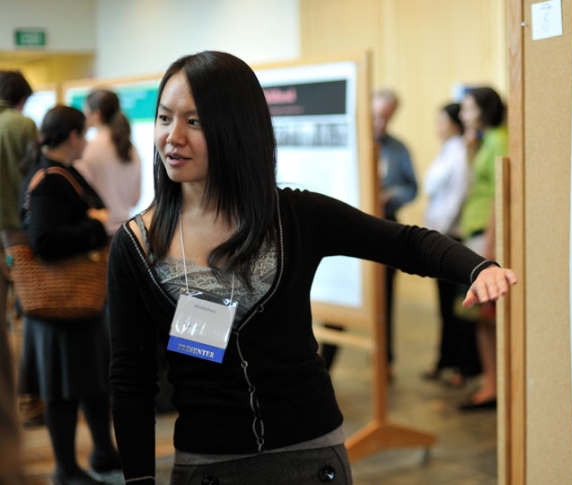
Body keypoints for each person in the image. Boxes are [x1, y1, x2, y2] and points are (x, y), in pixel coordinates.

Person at [107, 51, 517, 485]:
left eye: (194, 122)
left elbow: (404, 242)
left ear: (237, 128)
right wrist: (138, 480)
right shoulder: (137, 245)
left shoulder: (293, 216)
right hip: (207, 466)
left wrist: (478, 268)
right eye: (165, 118)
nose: (173, 137)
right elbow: (131, 381)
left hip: (310, 458)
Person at [17, 105, 120, 485]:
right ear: (74, 135)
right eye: (84, 134)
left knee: (92, 382)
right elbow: (43, 241)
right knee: (62, 389)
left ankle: (103, 452)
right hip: (60, 304)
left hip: (77, 304)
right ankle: (65, 468)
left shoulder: (57, 174)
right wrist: (93, 231)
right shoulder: (50, 179)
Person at [320, 88, 418, 373]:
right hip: (348, 224)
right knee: (341, 293)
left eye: (387, 118)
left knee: (384, 297)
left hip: (385, 223)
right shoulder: (348, 144)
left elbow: (411, 186)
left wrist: (392, 194)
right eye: (377, 117)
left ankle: (384, 360)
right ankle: (327, 361)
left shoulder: (399, 148)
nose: (381, 125)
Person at [421, 102, 480, 387]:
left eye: (441, 120)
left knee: (455, 307)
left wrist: (439, 237)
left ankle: (459, 365)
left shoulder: (458, 153)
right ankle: (445, 359)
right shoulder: (448, 150)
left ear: (454, 123)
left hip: (448, 236)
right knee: (444, 306)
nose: (437, 125)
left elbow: (457, 196)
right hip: (438, 233)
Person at [456, 87, 508, 411]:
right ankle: (491, 382)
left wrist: (490, 247)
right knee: (481, 317)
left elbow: (498, 196)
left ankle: (495, 385)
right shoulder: (485, 140)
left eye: (468, 108)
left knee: (488, 317)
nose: (463, 115)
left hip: (486, 239)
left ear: (484, 109)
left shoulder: (500, 139)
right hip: (475, 233)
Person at [0, 69, 37, 485]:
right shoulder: (22, 125)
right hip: (18, 244)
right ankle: (30, 404)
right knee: (30, 328)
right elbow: (30, 183)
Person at [74, 88, 142, 235]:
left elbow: (79, 196)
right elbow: (135, 199)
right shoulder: (131, 148)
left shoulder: (88, 149)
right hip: (127, 231)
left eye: (86, 113)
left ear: (96, 115)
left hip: (100, 233)